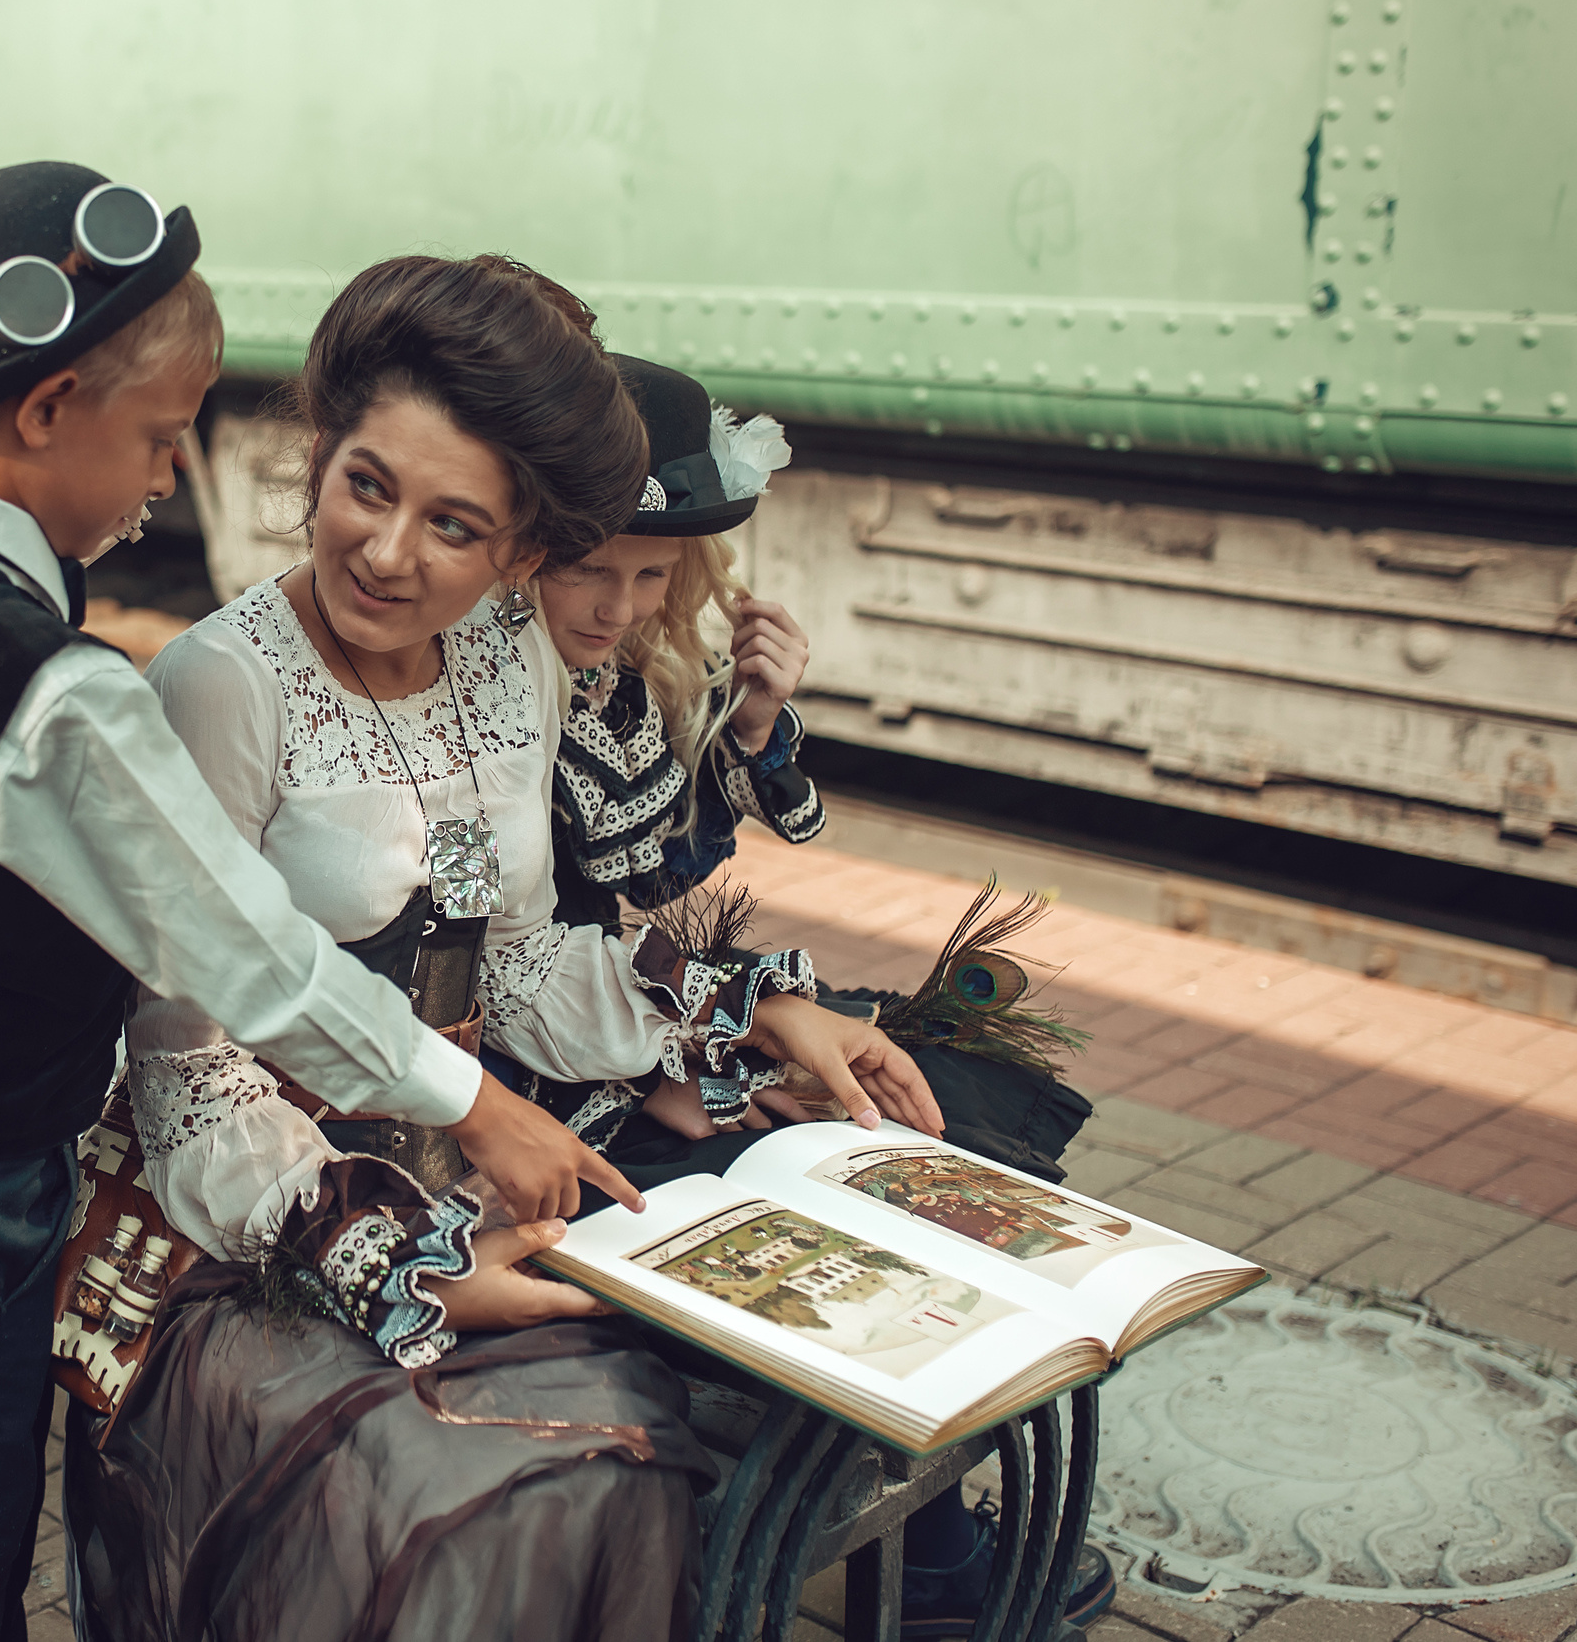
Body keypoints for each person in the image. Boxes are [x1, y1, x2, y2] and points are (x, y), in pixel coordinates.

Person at [0, 165, 628, 1642]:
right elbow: (242, 955)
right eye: (161, 438)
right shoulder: (71, 690)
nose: (168, 479)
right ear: (50, 412)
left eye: (458, 527)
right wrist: (473, 1103)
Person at [66, 254, 943, 1641]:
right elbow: (190, 1073)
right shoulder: (223, 686)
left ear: (518, 552)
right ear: (319, 455)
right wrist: (397, 1260)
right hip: (256, 1223)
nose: (388, 552)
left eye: (455, 525)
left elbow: (505, 956)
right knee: (525, 1482)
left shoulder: (502, 661)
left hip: (463, 1173)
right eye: (366, 486)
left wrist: (756, 1013)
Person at [522, 355, 1117, 1636]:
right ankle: (932, 1562)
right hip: (536, 1087)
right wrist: (702, 1053)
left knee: (917, 1122)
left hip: (627, 1027)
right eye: (590, 569)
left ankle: (936, 1555)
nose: (620, 606)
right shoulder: (484, 695)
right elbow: (524, 962)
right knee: (837, 1208)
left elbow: (648, 879)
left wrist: (750, 723)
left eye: (652, 576)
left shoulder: (612, 675)